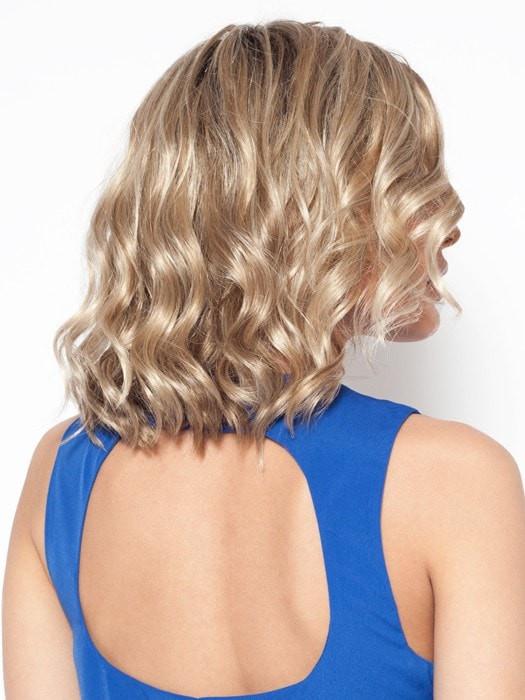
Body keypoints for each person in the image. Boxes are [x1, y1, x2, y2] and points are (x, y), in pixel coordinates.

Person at [3, 19, 525, 699]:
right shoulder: (454, 480)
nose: (448, 220)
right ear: (316, 215)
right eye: (411, 182)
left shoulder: (60, 473)